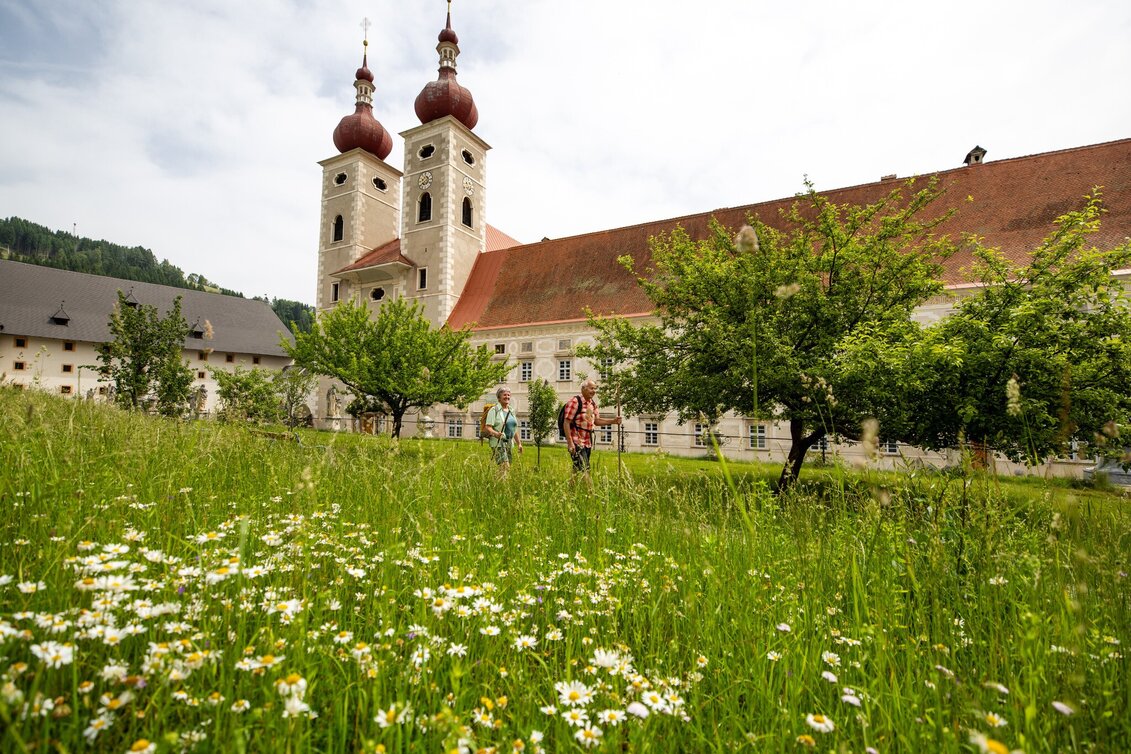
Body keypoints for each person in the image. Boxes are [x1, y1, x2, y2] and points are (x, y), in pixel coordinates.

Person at [563, 378, 622, 485]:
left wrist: (613, 421)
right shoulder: (575, 402)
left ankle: (570, 492)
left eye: (595, 389)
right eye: (591, 388)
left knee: (577, 468)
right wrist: (570, 443)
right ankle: (592, 494)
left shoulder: (592, 404)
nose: (594, 391)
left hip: (587, 442)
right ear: (583, 389)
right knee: (586, 468)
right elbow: (566, 422)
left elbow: (597, 421)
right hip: (577, 442)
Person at [484, 386, 522, 476]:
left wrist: (519, 443)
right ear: (499, 398)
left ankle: (497, 485)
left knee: (505, 469)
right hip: (498, 443)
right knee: (505, 466)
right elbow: (487, 427)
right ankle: (501, 485)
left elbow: (514, 428)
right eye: (504, 395)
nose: (507, 397)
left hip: (509, 443)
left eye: (508, 395)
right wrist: (496, 433)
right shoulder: (494, 410)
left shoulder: (511, 410)